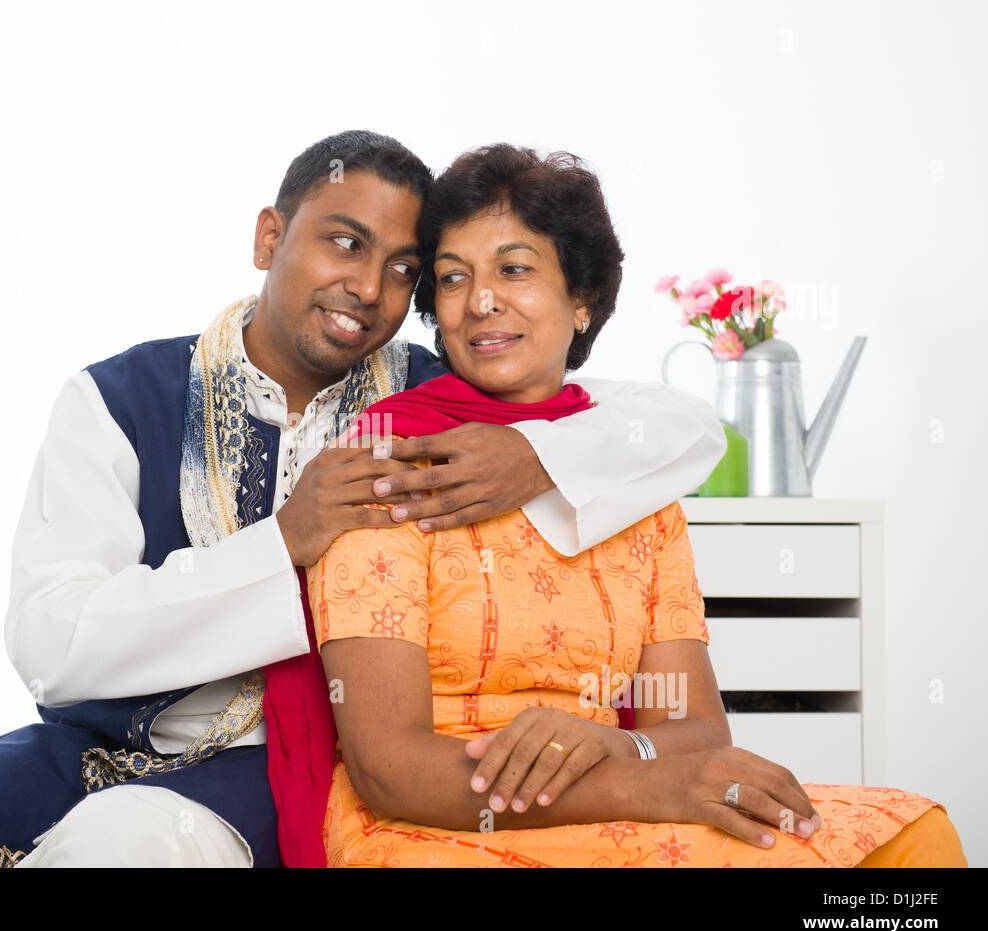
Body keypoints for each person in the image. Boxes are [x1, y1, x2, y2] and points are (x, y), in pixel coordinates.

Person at [0, 131, 728, 868]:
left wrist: (530, 457)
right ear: (268, 237)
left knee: (122, 846)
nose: (368, 289)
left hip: (277, 764)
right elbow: (51, 645)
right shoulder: (119, 396)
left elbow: (681, 428)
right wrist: (281, 542)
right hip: (86, 742)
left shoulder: (429, 398)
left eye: (407, 269)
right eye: (343, 240)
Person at [307, 143, 968, 867]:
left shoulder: (628, 474)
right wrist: (645, 782)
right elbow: (390, 770)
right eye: (453, 278)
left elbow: (692, 729)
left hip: (611, 792)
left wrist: (621, 744)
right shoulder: (392, 463)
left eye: (515, 268)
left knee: (913, 839)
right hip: (442, 820)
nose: (481, 300)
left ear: (582, 300)